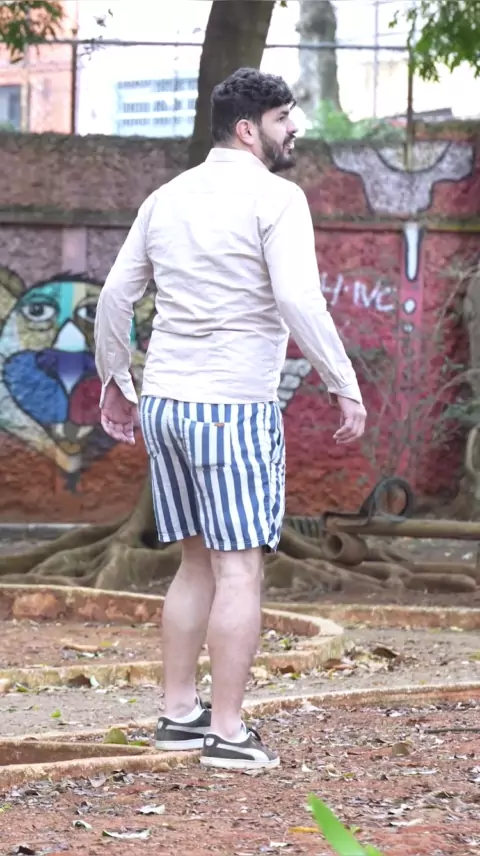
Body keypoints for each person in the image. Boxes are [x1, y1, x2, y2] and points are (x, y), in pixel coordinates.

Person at [94, 67, 366, 771]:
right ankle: (227, 733)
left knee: (195, 562)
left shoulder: (166, 197)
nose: (295, 128)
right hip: (233, 408)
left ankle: (178, 715)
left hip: (166, 405)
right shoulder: (277, 198)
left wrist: (116, 380)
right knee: (239, 569)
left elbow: (116, 295)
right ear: (249, 129)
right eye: (283, 118)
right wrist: (344, 384)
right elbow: (300, 300)